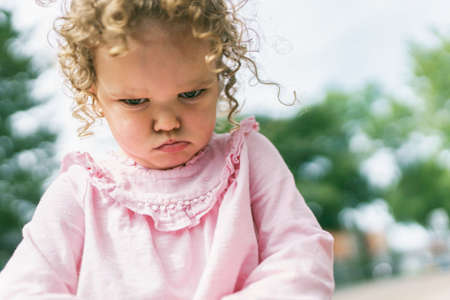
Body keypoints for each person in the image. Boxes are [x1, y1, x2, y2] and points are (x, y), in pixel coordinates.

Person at [0, 0, 334, 299]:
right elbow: (22, 288)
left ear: (219, 78)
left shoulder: (250, 161)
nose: (166, 122)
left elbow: (301, 258)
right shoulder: (79, 192)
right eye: (135, 101)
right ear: (96, 98)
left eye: (191, 94)